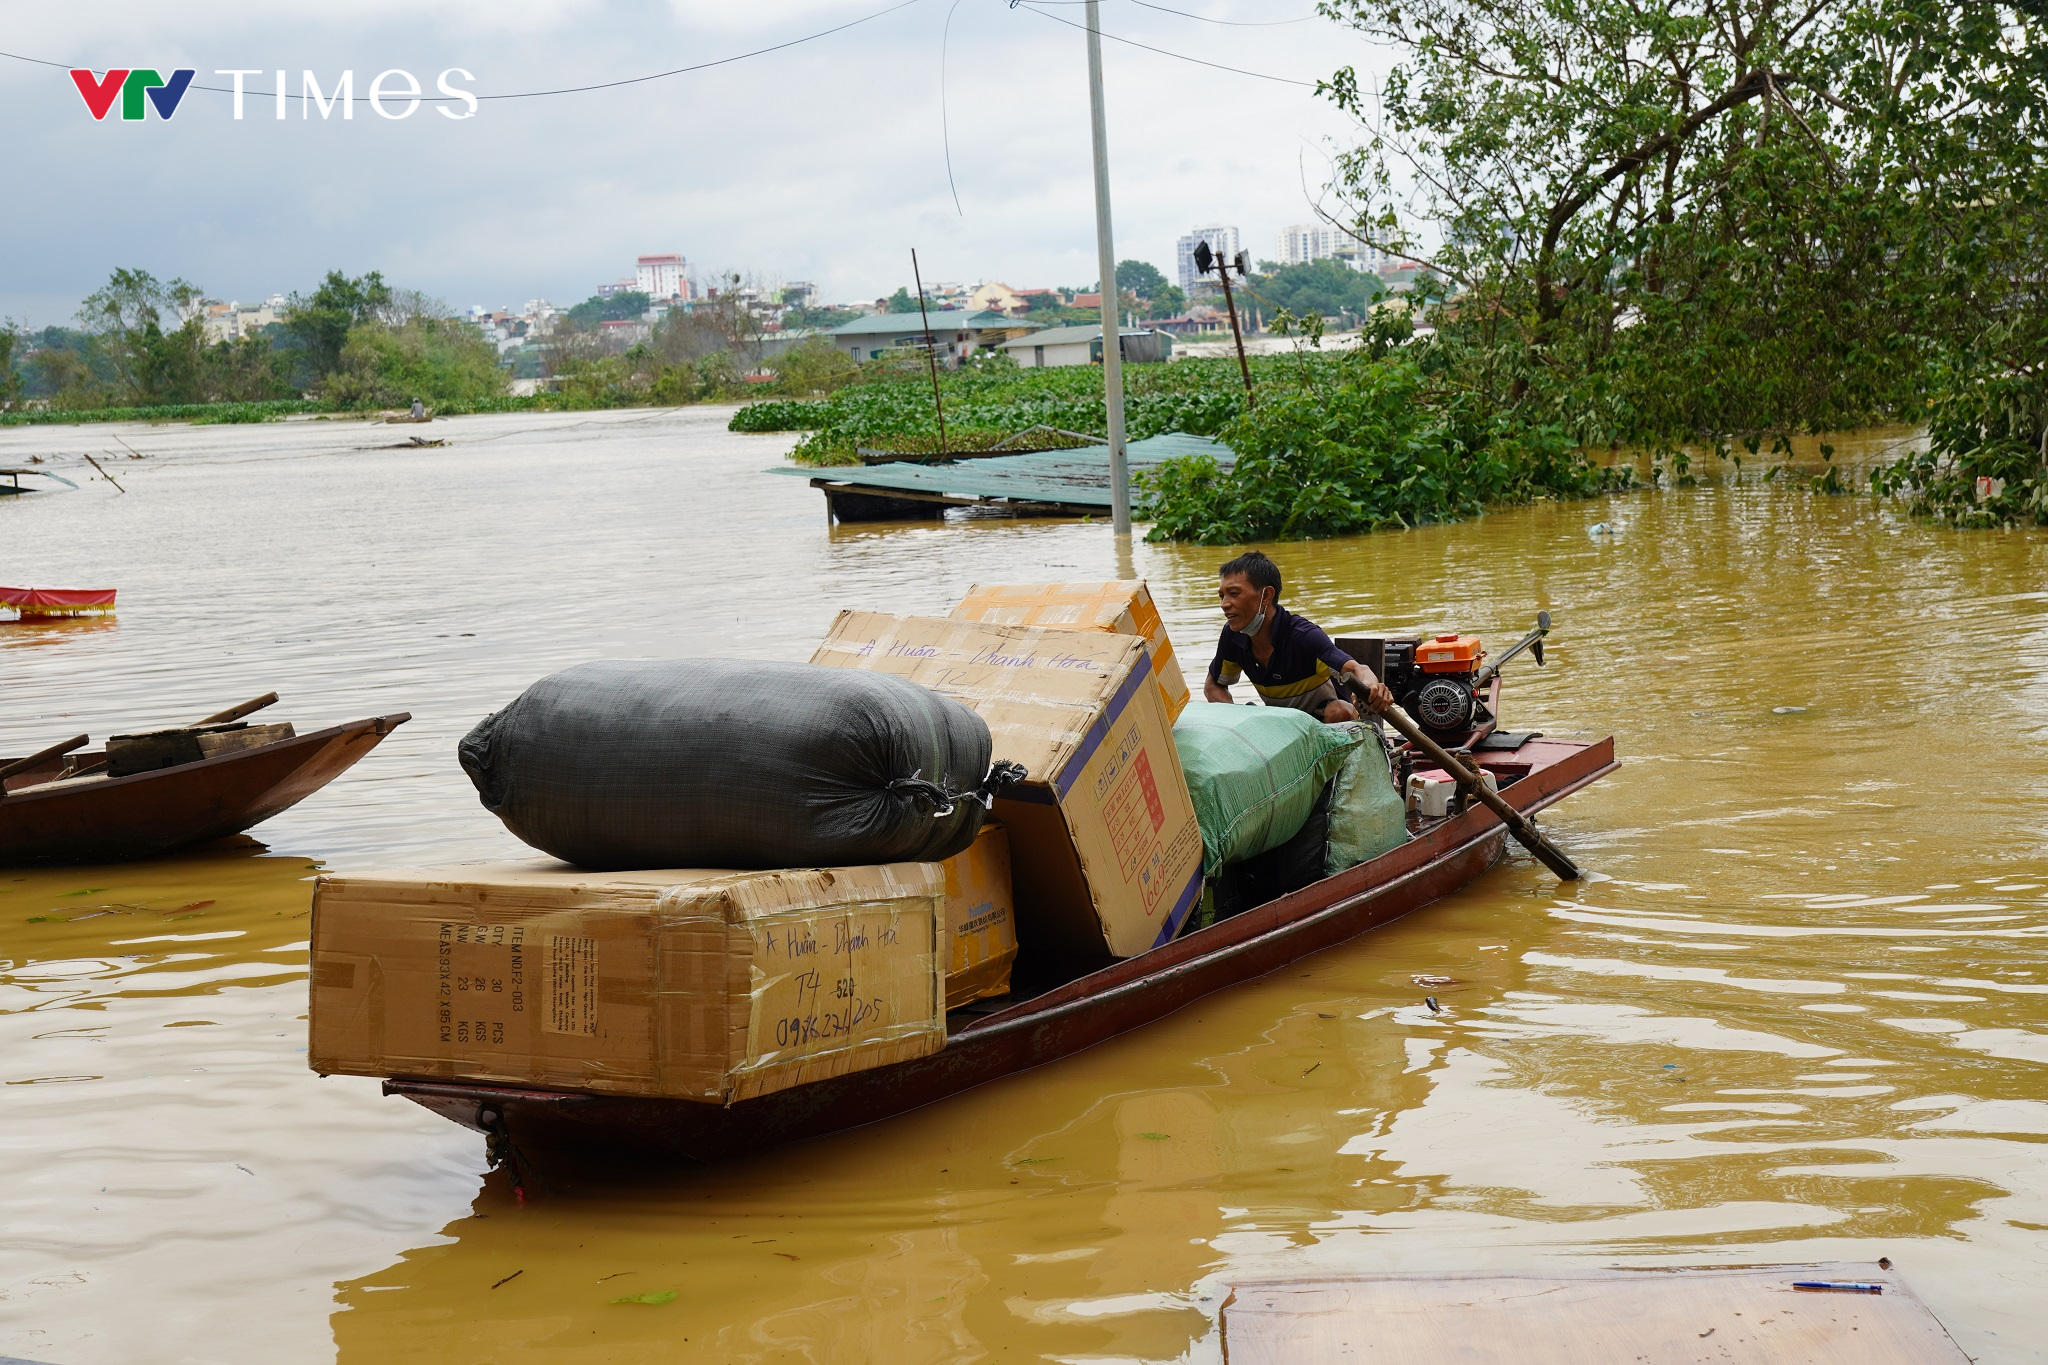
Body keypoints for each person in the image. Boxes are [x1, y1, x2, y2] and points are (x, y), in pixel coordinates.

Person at [1203, 550, 1392, 722]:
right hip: (1281, 726)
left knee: (1339, 711)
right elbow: (1213, 685)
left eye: (1234, 593)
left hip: (1326, 726)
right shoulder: (1233, 636)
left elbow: (1357, 668)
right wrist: (1239, 722)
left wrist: (1373, 687)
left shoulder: (1303, 635)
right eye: (1222, 596)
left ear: (1267, 595)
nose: (1224, 604)